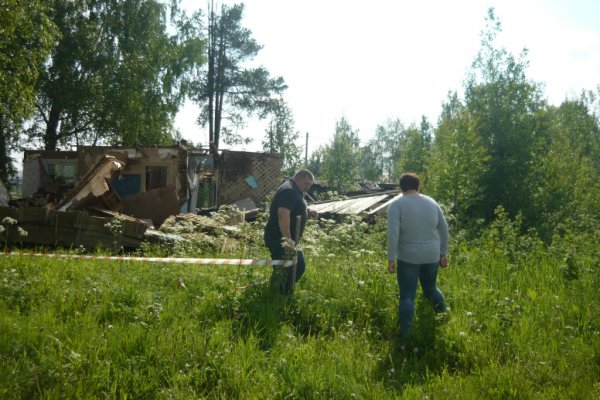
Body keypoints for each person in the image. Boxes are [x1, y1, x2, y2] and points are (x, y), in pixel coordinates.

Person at [386, 172, 449, 337]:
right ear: (417, 186)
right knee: (431, 289)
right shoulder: (431, 202)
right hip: (432, 255)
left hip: (408, 257)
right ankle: (443, 319)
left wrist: (391, 258)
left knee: (407, 296)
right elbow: (444, 228)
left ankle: (406, 335)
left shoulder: (396, 204)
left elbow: (393, 233)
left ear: (401, 187)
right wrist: (443, 253)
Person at [264, 169, 318, 293]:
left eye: (310, 184)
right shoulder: (289, 191)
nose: (308, 187)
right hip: (280, 238)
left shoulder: (295, 189)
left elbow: (294, 207)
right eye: (306, 184)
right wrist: (288, 241)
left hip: (287, 239)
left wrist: (308, 212)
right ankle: (276, 297)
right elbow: (282, 214)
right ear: (297, 179)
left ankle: (282, 293)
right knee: (289, 267)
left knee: (291, 267)